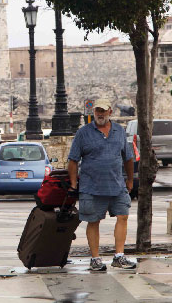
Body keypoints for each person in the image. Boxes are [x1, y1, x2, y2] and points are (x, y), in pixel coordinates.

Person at [68, 98, 136, 271]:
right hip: (91, 186)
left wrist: (129, 179)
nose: (100, 114)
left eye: (103, 111)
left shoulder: (119, 131)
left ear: (110, 112)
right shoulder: (83, 133)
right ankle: (95, 258)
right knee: (93, 220)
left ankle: (119, 256)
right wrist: (74, 183)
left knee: (123, 216)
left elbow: (128, 157)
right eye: (97, 110)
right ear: (93, 112)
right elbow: (73, 160)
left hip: (117, 184)